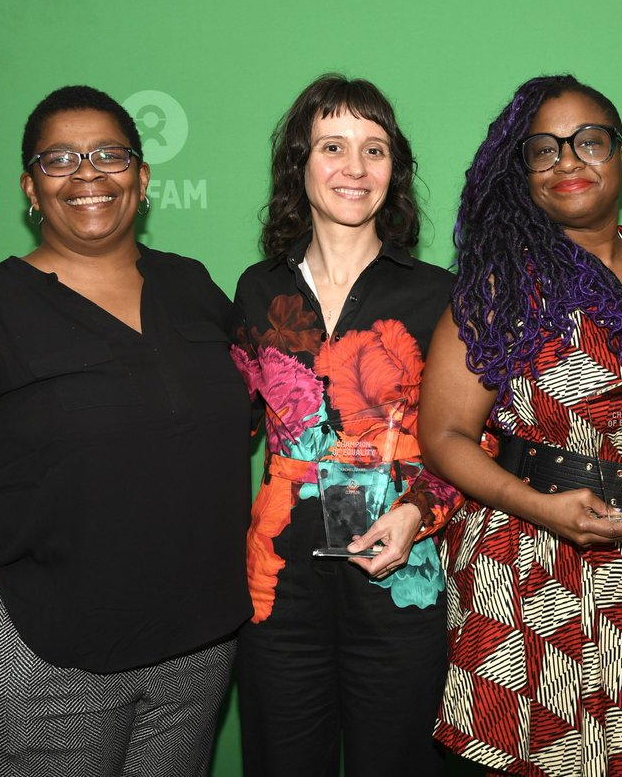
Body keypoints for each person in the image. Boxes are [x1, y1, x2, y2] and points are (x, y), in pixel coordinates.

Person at [0, 85, 252, 776]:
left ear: (142, 179)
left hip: (197, 652)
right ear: (30, 187)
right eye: (59, 159)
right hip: (46, 661)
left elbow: (233, 422)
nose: (87, 173)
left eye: (109, 154)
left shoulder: (192, 287)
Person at [420, 75, 622, 777]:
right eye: (544, 150)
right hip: (534, 565)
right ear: (522, 173)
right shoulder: (501, 285)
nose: (568, 161)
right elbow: (443, 436)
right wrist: (541, 508)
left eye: (589, 142)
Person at [232, 74, 462, 777]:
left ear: (395, 172)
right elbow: (229, 429)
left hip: (401, 585)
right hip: (279, 597)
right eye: (333, 146)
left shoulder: (436, 295)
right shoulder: (257, 288)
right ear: (300, 163)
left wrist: (421, 510)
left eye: (375, 150)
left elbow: (473, 440)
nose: (355, 169)